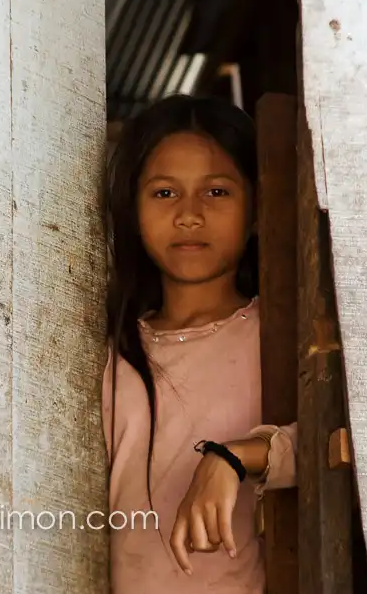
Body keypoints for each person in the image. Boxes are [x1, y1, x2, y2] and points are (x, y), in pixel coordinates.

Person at [102, 94, 298, 594]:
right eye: (165, 194)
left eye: (216, 192)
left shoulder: (275, 339)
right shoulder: (108, 355)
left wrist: (234, 456)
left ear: (257, 210)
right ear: (133, 210)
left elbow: (337, 445)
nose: (190, 215)